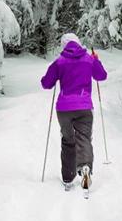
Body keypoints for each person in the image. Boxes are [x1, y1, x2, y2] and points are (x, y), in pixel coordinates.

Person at [40, 33, 107, 192]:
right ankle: (85, 168)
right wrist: (96, 60)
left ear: (64, 46)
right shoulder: (88, 59)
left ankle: (68, 178)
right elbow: (101, 76)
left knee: (68, 140)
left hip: (64, 109)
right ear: (78, 43)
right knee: (84, 138)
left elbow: (46, 84)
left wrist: (56, 73)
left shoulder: (59, 62)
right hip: (84, 107)